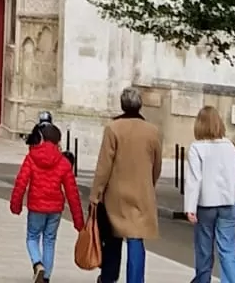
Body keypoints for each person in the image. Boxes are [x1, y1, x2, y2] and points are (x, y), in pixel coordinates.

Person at [89, 86, 162, 283]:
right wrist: (149, 184)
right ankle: (135, 280)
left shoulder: (113, 128)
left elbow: (104, 165)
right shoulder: (152, 131)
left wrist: (96, 194)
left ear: (122, 104)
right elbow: (157, 165)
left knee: (113, 237)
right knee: (136, 238)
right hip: (141, 192)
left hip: (116, 192)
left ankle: (109, 276)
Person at [10, 122, 84, 283]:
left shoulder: (31, 158)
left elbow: (21, 182)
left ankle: (37, 264)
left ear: (42, 139)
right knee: (49, 240)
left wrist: (15, 205)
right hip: (55, 209)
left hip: (36, 206)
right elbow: (72, 193)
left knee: (32, 237)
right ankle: (46, 277)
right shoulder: (64, 162)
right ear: (58, 142)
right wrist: (79, 221)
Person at [184, 106, 235, 283]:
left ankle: (203, 280)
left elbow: (194, 180)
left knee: (204, 250)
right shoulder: (233, 147)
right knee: (228, 251)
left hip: (206, 205)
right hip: (230, 204)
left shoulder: (197, 148)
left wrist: (190, 208)